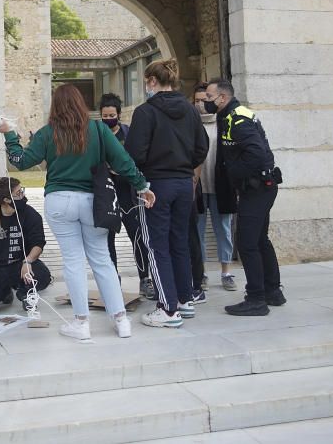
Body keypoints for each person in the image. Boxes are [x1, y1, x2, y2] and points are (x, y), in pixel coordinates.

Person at [0, 84, 155, 341]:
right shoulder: (99, 129)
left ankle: (81, 323)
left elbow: (21, 161)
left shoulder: (48, 133)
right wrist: (142, 186)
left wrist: (9, 135)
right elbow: (123, 161)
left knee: (72, 261)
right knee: (102, 259)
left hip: (59, 201)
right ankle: (121, 320)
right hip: (94, 201)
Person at [125, 59, 209, 328]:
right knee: (179, 242)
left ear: (151, 81)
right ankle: (184, 299)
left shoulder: (145, 112)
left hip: (156, 185)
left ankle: (167, 308)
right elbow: (201, 148)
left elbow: (135, 153)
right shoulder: (190, 110)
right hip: (184, 183)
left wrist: (139, 176)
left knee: (156, 245)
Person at [205, 79, 284, 316]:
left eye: (209, 97)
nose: (206, 101)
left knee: (247, 244)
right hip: (259, 186)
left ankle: (256, 299)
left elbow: (258, 155)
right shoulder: (232, 114)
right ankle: (273, 291)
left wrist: (233, 172)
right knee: (260, 240)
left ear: (222, 97)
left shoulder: (237, 120)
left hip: (257, 188)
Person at [99, 92, 154, 300]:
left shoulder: (129, 134)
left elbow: (137, 159)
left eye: (111, 114)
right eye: (104, 115)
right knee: (107, 239)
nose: (108, 118)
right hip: (105, 194)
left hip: (128, 193)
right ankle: (112, 281)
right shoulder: (96, 135)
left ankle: (144, 278)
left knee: (138, 236)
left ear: (119, 115)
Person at [0, 177, 52, 315]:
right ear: (7, 200)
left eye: (22, 190)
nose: (23, 195)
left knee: (42, 275)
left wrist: (28, 261)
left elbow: (38, 243)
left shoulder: (29, 214)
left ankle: (25, 293)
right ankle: (4, 292)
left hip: (20, 265)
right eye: (18, 193)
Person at [193, 83, 237, 292]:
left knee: (224, 229)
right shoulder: (191, 124)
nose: (202, 104)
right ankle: (200, 273)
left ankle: (226, 271)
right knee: (197, 231)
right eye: (198, 101)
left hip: (221, 185)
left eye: (205, 99)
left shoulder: (224, 122)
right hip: (198, 187)